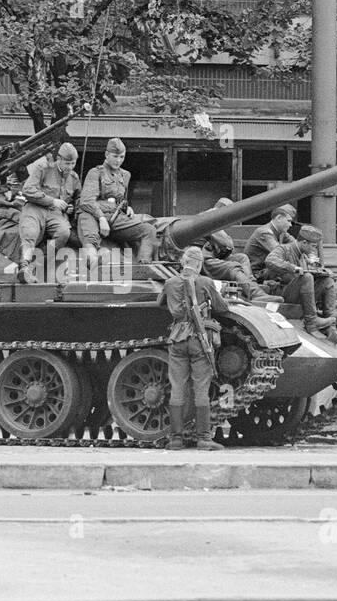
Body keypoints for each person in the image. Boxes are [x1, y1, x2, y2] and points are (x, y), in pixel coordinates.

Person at [159, 246, 226, 452]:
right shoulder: (205, 282)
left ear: (183, 262)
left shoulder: (170, 283)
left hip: (177, 339)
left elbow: (160, 303)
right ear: (199, 264)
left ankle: (176, 439)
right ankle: (204, 439)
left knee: (177, 387)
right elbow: (222, 308)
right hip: (199, 340)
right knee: (201, 388)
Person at [77, 138, 153, 269]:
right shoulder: (95, 173)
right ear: (107, 155)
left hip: (116, 217)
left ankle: (143, 268)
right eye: (115, 156)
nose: (118, 160)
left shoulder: (125, 175)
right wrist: (101, 218)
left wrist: (126, 207)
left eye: (122, 157)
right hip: (93, 215)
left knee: (148, 230)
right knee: (91, 239)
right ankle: (95, 263)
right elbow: (87, 201)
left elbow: (120, 199)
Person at [17, 141, 80, 284]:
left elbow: (79, 199)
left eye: (73, 164)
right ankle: (24, 265)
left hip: (56, 213)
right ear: (59, 159)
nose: (70, 167)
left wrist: (71, 208)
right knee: (30, 232)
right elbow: (28, 190)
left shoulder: (74, 178)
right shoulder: (43, 168)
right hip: (35, 207)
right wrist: (52, 201)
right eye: (67, 163)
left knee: (64, 233)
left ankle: (35, 264)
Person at [197, 198, 278, 302]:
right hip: (204, 260)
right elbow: (228, 244)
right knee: (232, 266)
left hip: (213, 257)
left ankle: (251, 284)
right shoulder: (209, 218)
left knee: (241, 258)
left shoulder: (212, 217)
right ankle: (255, 294)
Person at [264, 226, 337, 337]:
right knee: (307, 277)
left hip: (300, 294)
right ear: (304, 242)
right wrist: (293, 268)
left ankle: (331, 326)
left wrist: (322, 272)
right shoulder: (284, 249)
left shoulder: (303, 256)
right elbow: (270, 260)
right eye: (313, 246)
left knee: (328, 281)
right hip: (282, 293)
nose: (314, 250)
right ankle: (311, 322)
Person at [243, 204, 297, 280]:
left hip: (268, 270)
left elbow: (296, 245)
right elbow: (278, 252)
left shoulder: (282, 233)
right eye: (288, 221)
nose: (290, 225)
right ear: (279, 218)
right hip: (257, 274)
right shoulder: (264, 232)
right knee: (288, 271)